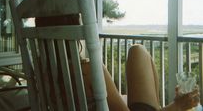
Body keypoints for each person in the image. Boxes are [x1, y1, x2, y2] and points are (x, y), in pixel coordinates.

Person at [36, 16, 200, 111]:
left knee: (137, 51)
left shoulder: (41, 71)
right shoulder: (86, 70)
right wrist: (176, 106)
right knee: (138, 51)